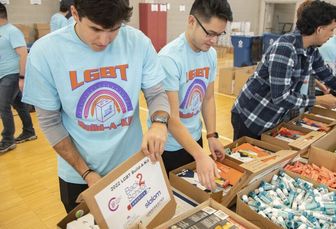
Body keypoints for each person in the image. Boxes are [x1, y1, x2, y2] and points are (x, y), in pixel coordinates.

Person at [22, 0, 170, 212]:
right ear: (75, 13)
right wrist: (86, 173)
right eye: (96, 29)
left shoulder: (138, 42)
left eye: (114, 30)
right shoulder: (45, 52)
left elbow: (156, 94)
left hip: (132, 168)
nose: (104, 40)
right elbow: (50, 121)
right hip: (79, 174)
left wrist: (159, 123)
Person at [231, 1, 336, 140]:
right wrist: (318, 100)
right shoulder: (285, 48)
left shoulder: (311, 50)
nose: (332, 34)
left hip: (272, 115)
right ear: (319, 29)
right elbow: (281, 97)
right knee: (244, 161)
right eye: (331, 29)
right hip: (251, 116)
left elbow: (328, 77)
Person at [158, 0, 232, 190]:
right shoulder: (169, 58)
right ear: (192, 21)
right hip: (170, 146)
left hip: (195, 139)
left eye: (219, 34)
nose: (214, 40)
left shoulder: (210, 54)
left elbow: (207, 98)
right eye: (210, 33)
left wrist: (212, 135)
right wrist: (200, 155)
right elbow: (171, 118)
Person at [0, 3, 37, 153]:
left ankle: (8, 140)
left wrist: (22, 77)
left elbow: (23, 54)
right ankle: (29, 131)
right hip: (3, 74)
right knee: (19, 105)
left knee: (3, 106)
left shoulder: (12, 31)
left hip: (12, 74)